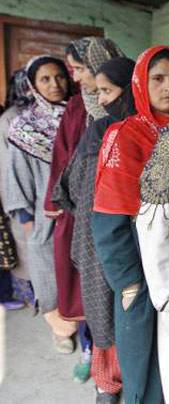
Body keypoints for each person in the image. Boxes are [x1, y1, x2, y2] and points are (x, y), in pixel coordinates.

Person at [91, 45, 169, 404]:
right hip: (142, 275)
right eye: (158, 79)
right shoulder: (126, 134)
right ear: (140, 84)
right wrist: (128, 283)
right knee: (145, 365)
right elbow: (109, 221)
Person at [55, 56, 136, 403]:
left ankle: (121, 383)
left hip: (130, 241)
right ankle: (107, 383)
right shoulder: (100, 130)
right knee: (105, 310)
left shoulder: (151, 132)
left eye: (108, 90)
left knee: (126, 312)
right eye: (98, 90)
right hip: (96, 236)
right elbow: (71, 185)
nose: (101, 99)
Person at [2, 55, 76, 352]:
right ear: (33, 85)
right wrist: (31, 225)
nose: (54, 84)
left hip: (80, 212)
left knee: (80, 273)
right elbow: (17, 179)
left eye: (59, 77)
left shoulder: (80, 116)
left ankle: (84, 327)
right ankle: (60, 329)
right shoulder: (23, 127)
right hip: (46, 219)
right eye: (45, 79)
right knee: (50, 272)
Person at [0, 69, 35, 309]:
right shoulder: (10, 118)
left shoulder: (51, 112)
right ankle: (31, 295)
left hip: (44, 193)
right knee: (24, 244)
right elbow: (6, 165)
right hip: (20, 193)